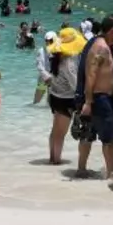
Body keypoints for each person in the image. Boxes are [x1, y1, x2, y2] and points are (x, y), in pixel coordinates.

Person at [78, 17, 113, 180]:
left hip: (99, 97)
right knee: (108, 138)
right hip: (98, 98)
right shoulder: (101, 47)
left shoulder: (104, 45)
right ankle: (111, 173)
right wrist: (88, 101)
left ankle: (82, 169)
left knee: (88, 133)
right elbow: (91, 74)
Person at [45, 29, 83, 167]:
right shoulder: (68, 62)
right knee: (61, 133)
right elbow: (74, 85)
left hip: (55, 96)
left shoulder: (55, 57)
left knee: (55, 130)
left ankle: (52, 158)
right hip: (65, 99)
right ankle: (56, 161)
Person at [34, 30, 57, 106]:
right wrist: (47, 77)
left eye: (50, 40)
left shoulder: (58, 50)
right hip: (43, 78)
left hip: (54, 78)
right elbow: (39, 66)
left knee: (51, 101)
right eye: (46, 40)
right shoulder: (41, 51)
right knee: (37, 100)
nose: (48, 42)